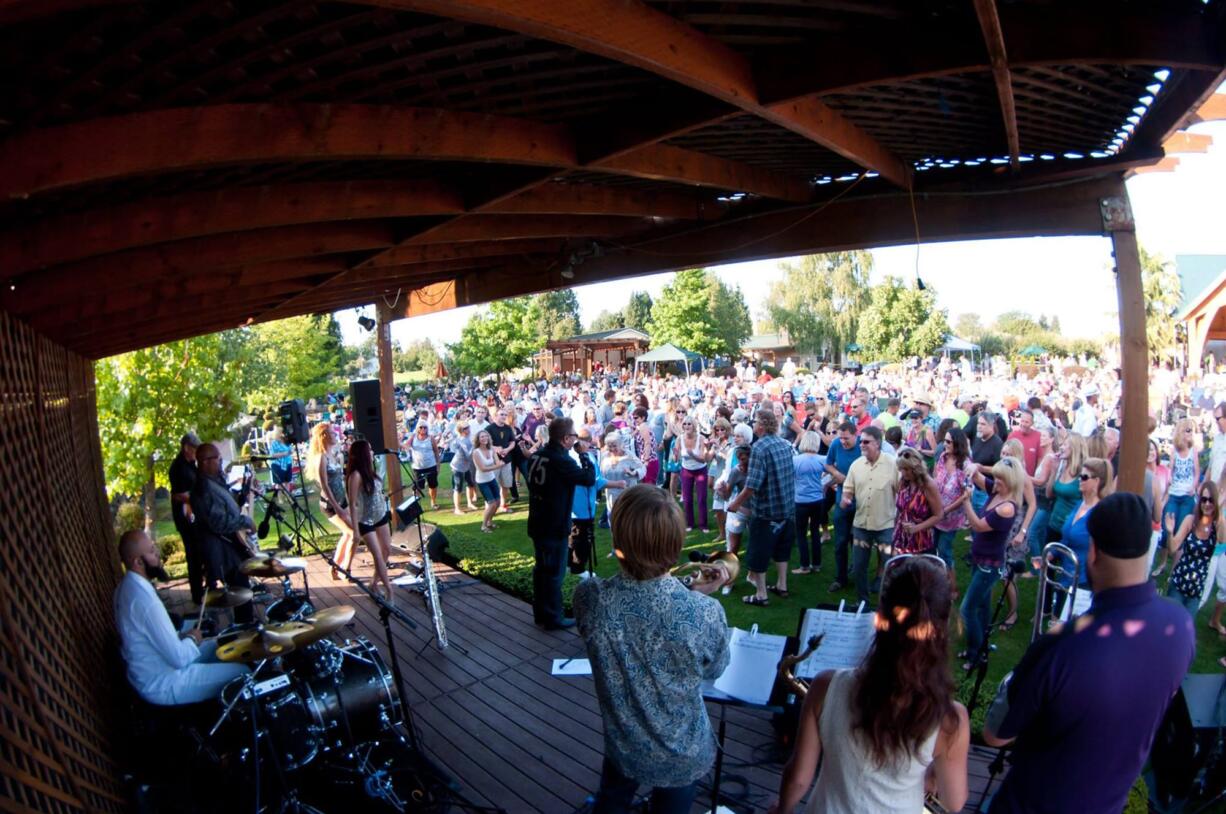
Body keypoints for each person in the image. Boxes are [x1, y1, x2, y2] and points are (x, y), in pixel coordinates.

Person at [984, 492, 1196, 814]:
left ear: (1093, 551)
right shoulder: (1180, 626)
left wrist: (1030, 661)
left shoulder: (1062, 647)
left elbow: (995, 734)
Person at [769, 556, 969, 814]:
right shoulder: (951, 720)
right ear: (942, 630)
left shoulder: (825, 686)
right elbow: (954, 802)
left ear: (879, 619)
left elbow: (798, 778)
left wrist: (782, 810)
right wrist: (930, 770)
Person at [574, 485, 729, 814]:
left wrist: (691, 587)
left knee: (611, 801)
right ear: (675, 544)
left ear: (619, 538)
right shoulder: (704, 612)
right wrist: (699, 594)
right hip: (682, 750)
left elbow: (643, 600)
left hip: (624, 744)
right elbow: (715, 668)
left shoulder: (590, 598)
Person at [113, 530, 250, 705]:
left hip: (156, 665)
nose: (157, 554)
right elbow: (179, 659)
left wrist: (182, 638)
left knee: (222, 645)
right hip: (164, 681)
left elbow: (152, 640)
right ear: (138, 562)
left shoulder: (125, 588)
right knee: (243, 672)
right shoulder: (144, 602)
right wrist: (192, 638)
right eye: (151, 551)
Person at [527, 417, 595, 629]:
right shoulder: (562, 461)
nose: (576, 439)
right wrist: (584, 454)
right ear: (566, 438)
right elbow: (588, 478)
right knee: (554, 574)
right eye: (574, 436)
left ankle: (541, 613)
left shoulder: (537, 455)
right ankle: (553, 617)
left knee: (541, 571)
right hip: (553, 525)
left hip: (538, 521)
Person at [727, 409, 796, 607]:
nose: (753, 424)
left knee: (759, 554)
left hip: (766, 512)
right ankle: (782, 585)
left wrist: (735, 503)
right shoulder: (784, 444)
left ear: (763, 425)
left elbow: (752, 486)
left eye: (755, 421)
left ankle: (761, 594)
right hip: (787, 510)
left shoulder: (759, 448)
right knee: (782, 551)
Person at [959, 458, 1022, 671]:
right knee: (983, 607)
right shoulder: (996, 490)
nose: (994, 482)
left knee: (967, 609)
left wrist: (966, 501)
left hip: (989, 565)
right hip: (980, 560)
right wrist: (974, 467)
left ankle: (976, 654)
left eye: (999, 479)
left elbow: (977, 525)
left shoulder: (1007, 508)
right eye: (995, 477)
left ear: (1010, 481)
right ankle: (980, 647)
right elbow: (975, 474)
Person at [190, 443, 257, 622]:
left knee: (243, 592)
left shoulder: (213, 481)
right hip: (222, 550)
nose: (220, 463)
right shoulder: (204, 488)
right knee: (240, 592)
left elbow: (221, 509)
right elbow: (218, 523)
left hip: (227, 546)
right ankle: (245, 633)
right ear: (204, 462)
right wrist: (245, 521)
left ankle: (246, 627)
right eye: (217, 459)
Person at [840, 426, 898, 608]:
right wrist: (845, 499)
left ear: (878, 443)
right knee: (859, 566)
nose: (862, 445)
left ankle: (887, 604)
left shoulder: (892, 464)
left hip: (885, 525)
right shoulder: (856, 466)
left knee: (890, 567)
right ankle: (862, 601)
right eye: (861, 442)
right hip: (861, 524)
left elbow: (901, 492)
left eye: (866, 442)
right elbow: (848, 490)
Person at [1164, 479, 1226, 616]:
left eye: (1211, 500)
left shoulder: (1217, 526)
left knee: (1186, 630)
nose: (1207, 504)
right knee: (1171, 625)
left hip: (1196, 591)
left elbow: (1223, 539)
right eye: (1204, 499)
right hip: (1179, 585)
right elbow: (1173, 548)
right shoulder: (1190, 521)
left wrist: (1218, 510)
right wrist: (1169, 532)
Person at [345, 439, 395, 603]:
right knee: (378, 556)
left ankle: (373, 582)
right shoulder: (356, 475)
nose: (373, 452)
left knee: (386, 550)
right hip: (365, 520)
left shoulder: (370, 471)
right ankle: (389, 591)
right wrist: (355, 531)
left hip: (380, 515)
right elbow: (352, 503)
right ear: (363, 454)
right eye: (370, 450)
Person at [570, 429, 625, 576]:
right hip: (581, 507)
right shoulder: (578, 459)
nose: (591, 442)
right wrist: (617, 484)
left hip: (580, 506)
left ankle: (571, 566)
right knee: (580, 539)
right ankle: (578, 569)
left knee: (575, 536)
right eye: (588, 440)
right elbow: (594, 481)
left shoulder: (586, 456)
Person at [308, 422, 353, 581]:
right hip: (330, 504)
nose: (336, 435)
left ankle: (335, 567)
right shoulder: (321, 458)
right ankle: (343, 569)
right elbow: (324, 485)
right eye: (333, 433)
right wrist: (337, 507)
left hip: (341, 500)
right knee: (353, 533)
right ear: (324, 436)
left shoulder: (331, 454)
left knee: (348, 534)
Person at [1154, 417, 1199, 577]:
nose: (1190, 434)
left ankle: (1174, 569)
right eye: (1187, 430)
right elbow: (1170, 470)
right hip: (1174, 494)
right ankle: (1162, 563)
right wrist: (1170, 478)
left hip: (1187, 496)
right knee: (1167, 531)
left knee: (1180, 531)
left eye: (1191, 431)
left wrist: (1193, 487)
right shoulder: (1174, 450)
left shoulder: (1193, 451)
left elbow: (1197, 472)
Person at [825, 421, 862, 593]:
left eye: (846, 438)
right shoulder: (835, 444)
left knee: (859, 541)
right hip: (842, 501)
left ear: (855, 435)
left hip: (861, 501)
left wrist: (848, 480)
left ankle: (858, 573)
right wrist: (836, 473)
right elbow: (828, 463)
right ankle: (841, 578)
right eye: (841, 438)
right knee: (840, 541)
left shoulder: (863, 446)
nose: (843, 442)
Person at [168, 432, 204, 606]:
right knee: (193, 555)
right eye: (194, 449)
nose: (196, 452)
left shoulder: (191, 465)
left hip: (195, 516)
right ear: (186, 448)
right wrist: (198, 499)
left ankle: (205, 588)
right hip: (186, 519)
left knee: (201, 553)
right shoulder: (178, 467)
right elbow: (178, 495)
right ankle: (197, 594)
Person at [892, 447, 943, 556]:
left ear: (916, 467)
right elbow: (901, 509)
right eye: (901, 469)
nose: (903, 472)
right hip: (901, 537)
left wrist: (916, 528)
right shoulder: (904, 481)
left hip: (922, 541)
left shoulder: (928, 485)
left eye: (906, 469)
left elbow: (939, 515)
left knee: (918, 572)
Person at [792, 431, 826, 575]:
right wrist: (824, 483)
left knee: (801, 534)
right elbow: (832, 472)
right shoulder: (823, 459)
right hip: (817, 500)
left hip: (800, 501)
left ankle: (804, 566)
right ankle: (817, 564)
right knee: (815, 532)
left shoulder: (795, 460)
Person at [673, 414, 711, 532]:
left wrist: (692, 455)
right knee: (687, 498)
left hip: (700, 469)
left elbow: (703, 459)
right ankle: (689, 523)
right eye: (684, 424)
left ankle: (703, 525)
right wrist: (675, 454)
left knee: (701, 498)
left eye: (689, 423)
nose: (686, 426)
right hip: (686, 470)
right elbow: (676, 458)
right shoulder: (679, 438)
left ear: (694, 425)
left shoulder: (700, 438)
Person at [486, 407, 518, 511]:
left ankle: (502, 505)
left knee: (506, 484)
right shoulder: (489, 428)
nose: (504, 416)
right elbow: (484, 444)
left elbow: (512, 442)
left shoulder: (508, 428)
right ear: (496, 416)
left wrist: (507, 450)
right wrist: (496, 449)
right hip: (493, 462)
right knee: (492, 484)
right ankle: (490, 506)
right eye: (501, 414)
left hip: (506, 461)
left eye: (505, 415)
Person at [472, 429, 503, 533]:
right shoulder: (476, 452)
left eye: (486, 436)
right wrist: (496, 466)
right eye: (482, 437)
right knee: (492, 504)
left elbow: (497, 461)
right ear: (478, 439)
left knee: (498, 502)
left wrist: (498, 464)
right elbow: (482, 469)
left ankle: (490, 521)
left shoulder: (491, 450)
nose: (484, 438)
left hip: (491, 478)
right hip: (482, 481)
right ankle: (483, 526)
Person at [407, 418, 441, 510]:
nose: (423, 429)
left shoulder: (431, 438)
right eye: (421, 427)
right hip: (417, 467)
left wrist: (438, 465)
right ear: (418, 428)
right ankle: (416, 505)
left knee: (433, 485)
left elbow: (436, 452)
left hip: (431, 465)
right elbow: (406, 446)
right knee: (417, 487)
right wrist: (398, 442)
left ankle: (433, 502)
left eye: (425, 427)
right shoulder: (413, 437)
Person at [448, 420, 479, 515]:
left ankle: (469, 503)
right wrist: (475, 445)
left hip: (466, 466)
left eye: (468, 427)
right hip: (458, 467)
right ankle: (457, 509)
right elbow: (468, 455)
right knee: (458, 488)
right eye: (466, 428)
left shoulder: (468, 437)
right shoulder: (461, 440)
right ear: (461, 430)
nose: (468, 429)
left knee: (470, 484)